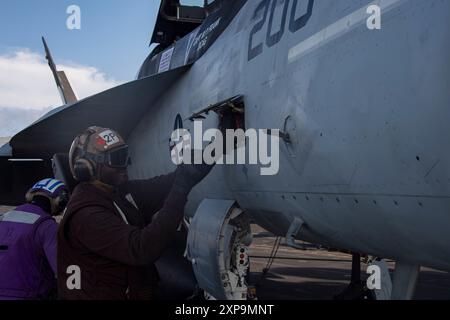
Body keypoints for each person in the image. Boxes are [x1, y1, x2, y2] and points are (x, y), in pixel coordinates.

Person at [57, 126, 214, 300]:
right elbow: (142, 248)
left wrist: (217, 147)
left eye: (125, 155)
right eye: (117, 158)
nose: (125, 164)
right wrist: (181, 188)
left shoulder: (119, 193)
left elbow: (173, 180)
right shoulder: (87, 217)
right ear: (89, 168)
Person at [0, 178, 69, 300]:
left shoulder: (4, 218)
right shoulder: (47, 226)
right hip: (30, 295)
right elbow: (62, 268)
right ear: (61, 201)